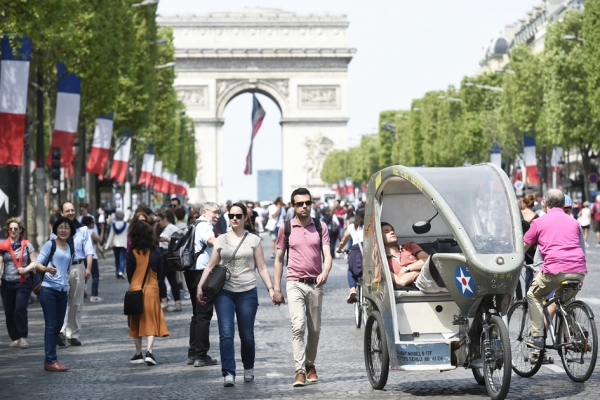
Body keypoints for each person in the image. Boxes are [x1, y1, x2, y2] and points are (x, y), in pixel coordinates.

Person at [197, 202, 276, 387]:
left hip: (247, 292)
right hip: (224, 292)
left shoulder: (254, 240)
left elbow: (262, 267)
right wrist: (200, 286)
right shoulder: (221, 239)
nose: (234, 218)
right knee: (226, 333)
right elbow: (210, 265)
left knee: (247, 335)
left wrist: (271, 288)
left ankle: (248, 367)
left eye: (238, 216)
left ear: (245, 218)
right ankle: (229, 373)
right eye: (231, 215)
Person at [273, 188, 332, 387]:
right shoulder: (286, 228)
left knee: (315, 330)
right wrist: (276, 288)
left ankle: (310, 365)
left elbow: (328, 254)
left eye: (307, 202)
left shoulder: (321, 226)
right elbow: (279, 260)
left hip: (315, 283)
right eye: (300, 203)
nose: (304, 206)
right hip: (294, 283)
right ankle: (299, 370)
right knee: (298, 326)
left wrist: (325, 272)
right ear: (293, 206)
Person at [523, 189, 587, 350]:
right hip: (578, 271)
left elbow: (523, 247)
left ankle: (537, 337)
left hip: (554, 270)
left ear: (545, 203)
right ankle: (574, 334)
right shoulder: (574, 222)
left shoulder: (540, 222)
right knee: (563, 302)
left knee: (533, 294)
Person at [35, 216, 75, 371]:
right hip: (48, 290)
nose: (64, 230)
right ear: (56, 229)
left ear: (71, 231)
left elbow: (67, 268)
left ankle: (50, 359)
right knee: (51, 325)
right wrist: (47, 269)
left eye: (67, 227)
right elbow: (37, 264)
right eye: (61, 227)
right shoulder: (49, 245)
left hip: (63, 291)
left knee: (58, 325)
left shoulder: (70, 247)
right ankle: (50, 360)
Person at [127, 220, 169, 366]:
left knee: (136, 321)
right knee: (151, 319)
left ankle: (138, 353)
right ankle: (149, 352)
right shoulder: (156, 252)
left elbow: (129, 273)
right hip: (152, 289)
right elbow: (160, 273)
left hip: (135, 288)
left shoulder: (132, 253)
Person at [51, 202, 93, 347]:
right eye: (67, 211)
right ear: (62, 213)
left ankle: (73, 334)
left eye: (72, 210)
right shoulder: (56, 229)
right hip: (61, 268)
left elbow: (89, 250)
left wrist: (88, 268)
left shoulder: (82, 229)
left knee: (76, 303)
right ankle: (61, 332)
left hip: (78, 267)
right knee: (61, 301)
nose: (70, 213)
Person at [184, 202, 220, 367]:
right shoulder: (204, 225)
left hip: (191, 272)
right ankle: (201, 355)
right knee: (204, 315)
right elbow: (211, 240)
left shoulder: (194, 224)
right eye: (215, 212)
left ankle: (193, 353)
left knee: (197, 315)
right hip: (201, 275)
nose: (217, 216)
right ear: (205, 212)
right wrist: (225, 241)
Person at [0, 217, 37, 349]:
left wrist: (25, 269)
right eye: (11, 229)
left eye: (16, 229)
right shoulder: (3, 245)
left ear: (20, 230)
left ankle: (22, 337)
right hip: (7, 282)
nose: (13, 231)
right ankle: (14, 337)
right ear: (7, 231)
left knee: (20, 308)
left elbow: (35, 262)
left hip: (23, 282)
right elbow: (0, 262)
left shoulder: (27, 244)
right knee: (9, 310)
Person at [381, 222, 429, 287]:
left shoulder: (409, 246)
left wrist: (406, 269)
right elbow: (401, 281)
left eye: (392, 230)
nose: (392, 232)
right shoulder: (382, 260)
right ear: (379, 237)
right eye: (386, 232)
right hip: (419, 282)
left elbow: (427, 260)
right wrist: (419, 269)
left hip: (429, 274)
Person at [336, 205, 364, 303]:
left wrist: (339, 249)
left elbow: (343, 240)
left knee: (351, 271)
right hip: (369, 250)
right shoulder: (371, 225)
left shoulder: (352, 226)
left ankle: (352, 289)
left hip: (356, 251)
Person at [157, 210, 181, 311]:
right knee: (172, 280)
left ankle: (164, 301)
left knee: (161, 278)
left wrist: (166, 240)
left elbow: (179, 240)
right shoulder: (166, 228)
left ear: (165, 219)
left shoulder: (172, 228)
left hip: (168, 255)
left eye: (159, 220)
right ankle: (177, 303)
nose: (158, 223)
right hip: (166, 255)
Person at [81, 216, 103, 302]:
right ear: (89, 223)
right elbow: (100, 240)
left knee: (84, 276)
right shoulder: (90, 231)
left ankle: (83, 291)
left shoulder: (81, 231)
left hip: (83, 256)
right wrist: (103, 230)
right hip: (92, 256)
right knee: (95, 276)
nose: (94, 224)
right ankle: (94, 295)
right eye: (93, 222)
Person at [105, 211, 128, 279]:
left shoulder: (113, 225)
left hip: (115, 244)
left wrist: (107, 246)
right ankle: (121, 271)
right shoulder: (127, 224)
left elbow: (111, 236)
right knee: (122, 259)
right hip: (124, 244)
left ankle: (117, 272)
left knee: (117, 259)